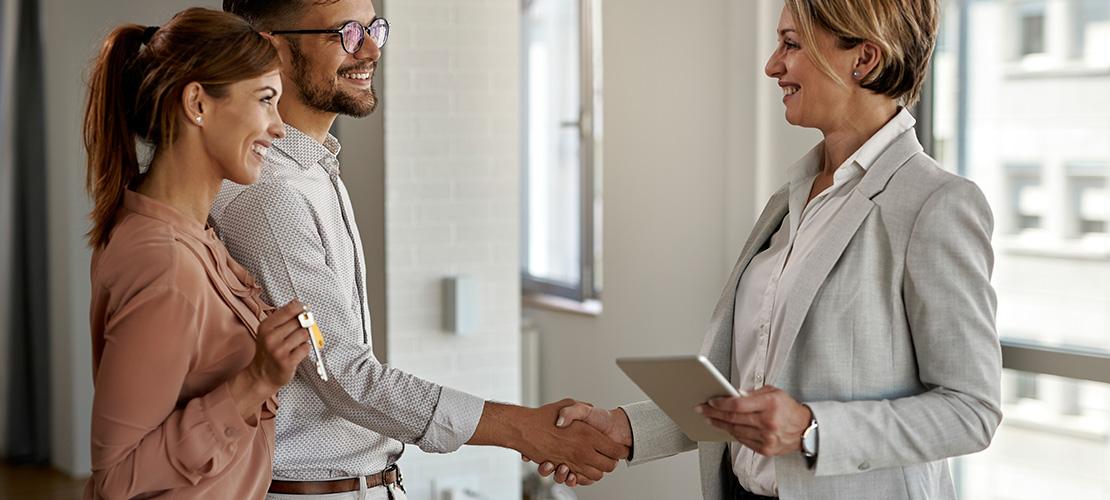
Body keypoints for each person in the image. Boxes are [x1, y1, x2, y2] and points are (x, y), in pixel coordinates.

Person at [541, 1, 1003, 498]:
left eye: (791, 43)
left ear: (864, 59)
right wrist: (626, 429)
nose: (772, 65)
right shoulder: (790, 199)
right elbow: (750, 391)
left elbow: (970, 410)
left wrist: (810, 429)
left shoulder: (935, 203)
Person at [211, 1, 626, 498]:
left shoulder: (313, 170)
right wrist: (524, 429)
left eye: (373, 28)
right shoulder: (272, 192)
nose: (370, 49)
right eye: (345, 33)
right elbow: (344, 376)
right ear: (271, 43)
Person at [83, 8, 311, 499]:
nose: (279, 127)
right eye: (266, 101)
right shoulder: (165, 262)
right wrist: (254, 382)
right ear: (197, 104)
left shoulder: (189, 234)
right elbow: (116, 478)